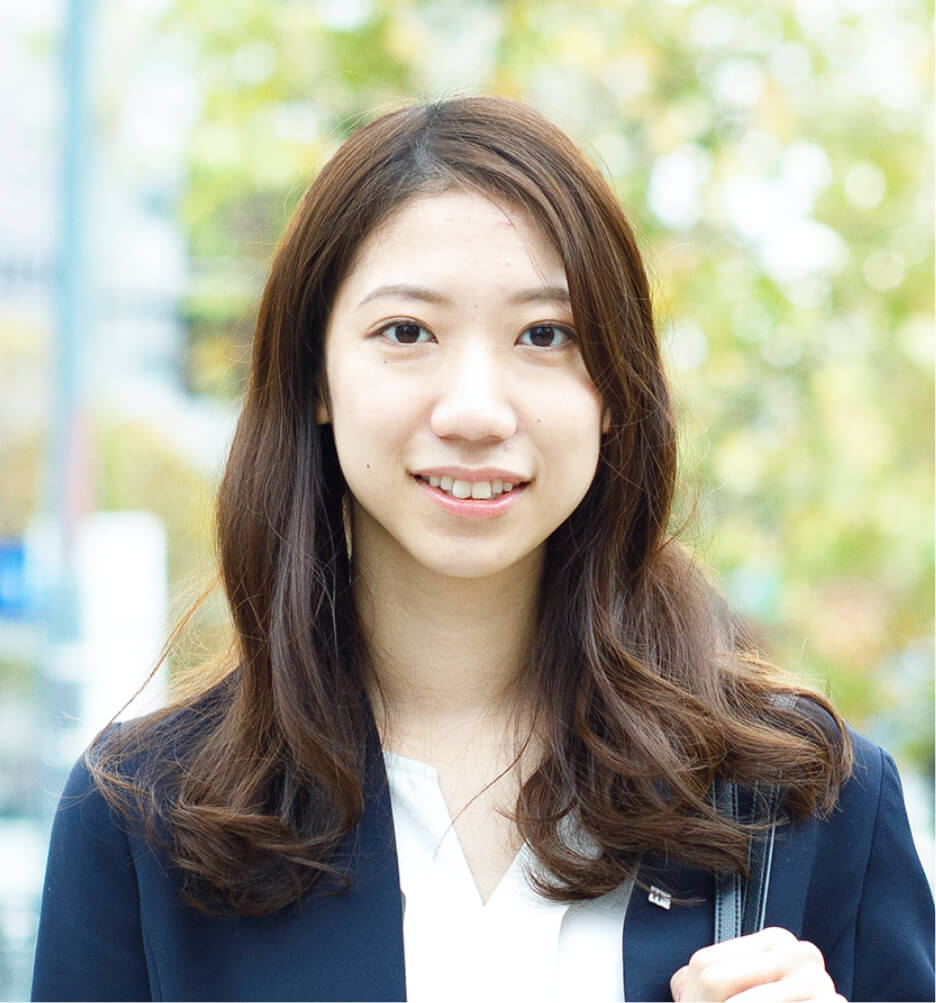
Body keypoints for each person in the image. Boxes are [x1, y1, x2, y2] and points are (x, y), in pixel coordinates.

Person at [32, 97, 933, 1003]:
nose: (475, 411)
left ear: (614, 389)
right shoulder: (147, 819)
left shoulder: (807, 800)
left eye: (545, 335)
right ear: (316, 376)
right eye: (407, 332)